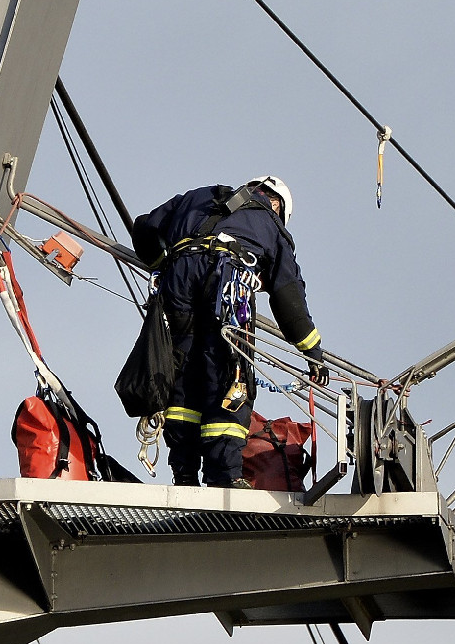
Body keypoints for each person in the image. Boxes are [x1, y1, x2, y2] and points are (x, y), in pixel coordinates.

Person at [131, 176, 321, 488]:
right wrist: (312, 351)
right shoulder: (271, 224)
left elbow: (145, 228)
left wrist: (162, 263)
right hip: (228, 285)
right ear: (277, 205)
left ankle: (184, 472)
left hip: (177, 286)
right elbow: (289, 298)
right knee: (231, 380)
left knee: (184, 377)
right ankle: (225, 477)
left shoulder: (199, 196)